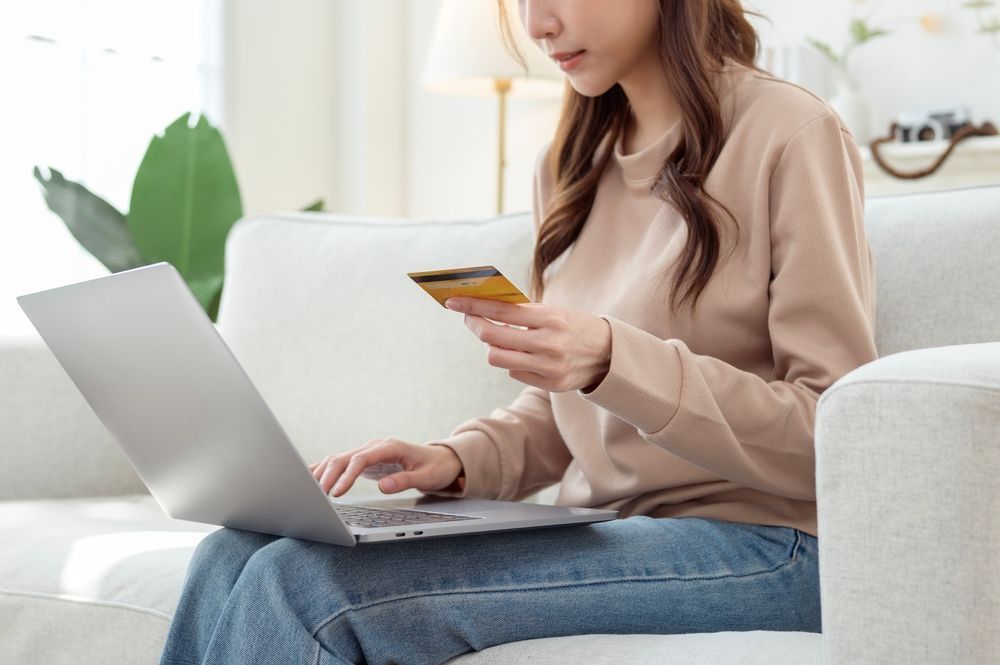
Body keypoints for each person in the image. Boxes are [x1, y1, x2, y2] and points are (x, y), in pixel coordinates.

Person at [159, 0, 878, 663]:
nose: (537, 24)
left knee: (304, 583)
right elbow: (567, 413)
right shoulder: (569, 166)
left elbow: (834, 433)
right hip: (608, 528)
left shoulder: (790, 133)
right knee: (232, 552)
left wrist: (612, 357)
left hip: (769, 545)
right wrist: (458, 459)